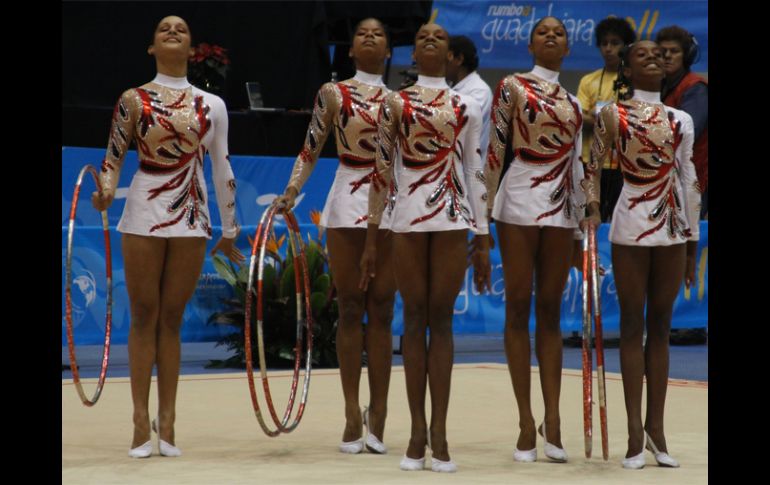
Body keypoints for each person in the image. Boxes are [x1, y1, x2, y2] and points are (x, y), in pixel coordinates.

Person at [91, 15, 244, 458]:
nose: (173, 31)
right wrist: (104, 191)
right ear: (152, 49)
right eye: (163, 29)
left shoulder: (212, 105)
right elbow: (112, 160)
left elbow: (223, 168)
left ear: (192, 48)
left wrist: (230, 228)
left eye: (181, 28)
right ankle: (140, 419)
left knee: (171, 319)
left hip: (191, 215)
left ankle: (170, 417)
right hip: (143, 211)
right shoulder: (133, 100)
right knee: (143, 314)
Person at [359, 23, 490, 473]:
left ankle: (440, 430)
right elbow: (381, 171)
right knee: (413, 320)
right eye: (422, 37)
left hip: (452, 219)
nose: (430, 40)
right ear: (413, 52)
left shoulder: (465, 105)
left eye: (439, 37)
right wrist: (373, 236)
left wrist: (484, 234)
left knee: (441, 321)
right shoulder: (396, 102)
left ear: (451, 52)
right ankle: (416, 431)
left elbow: (475, 170)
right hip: (408, 219)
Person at [273, 17, 396, 455]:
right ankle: (350, 411)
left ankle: (378, 411)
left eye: (378, 34)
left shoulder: (400, 101)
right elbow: (311, 146)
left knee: (381, 310)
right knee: (349, 307)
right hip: (347, 195)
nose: (368, 36)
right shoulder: (333, 94)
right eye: (361, 32)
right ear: (349, 49)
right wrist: (292, 190)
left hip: (391, 201)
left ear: (388, 51)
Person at [582, 40, 700, 469]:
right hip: (630, 223)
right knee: (632, 325)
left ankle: (657, 430)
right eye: (642, 55)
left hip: (671, 227)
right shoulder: (612, 114)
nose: (653, 57)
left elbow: (689, 179)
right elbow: (592, 167)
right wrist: (591, 207)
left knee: (661, 327)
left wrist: (691, 243)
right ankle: (633, 432)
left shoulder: (681, 119)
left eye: (659, 54)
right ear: (626, 71)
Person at [483, 16, 585, 464]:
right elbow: (495, 148)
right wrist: (481, 217)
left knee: (549, 310)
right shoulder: (512, 87)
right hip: (520, 194)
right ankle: (526, 420)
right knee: (518, 303)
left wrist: (583, 221)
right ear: (529, 45)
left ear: (566, 49)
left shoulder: (575, 102)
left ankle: (554, 418)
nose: (550, 36)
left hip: (562, 202)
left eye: (558, 33)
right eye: (542, 31)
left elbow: (579, 165)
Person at [577, 16, 636, 222]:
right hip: (592, 163)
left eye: (615, 43)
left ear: (626, 46)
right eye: (604, 43)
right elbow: (580, 117)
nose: (608, 49)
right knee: (590, 218)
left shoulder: (634, 80)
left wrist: (599, 119)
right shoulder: (588, 80)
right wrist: (611, 123)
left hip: (625, 164)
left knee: (620, 221)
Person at [656, 26, 708, 219]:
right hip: (668, 177)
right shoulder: (661, 86)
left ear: (686, 56)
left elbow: (686, 133)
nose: (667, 56)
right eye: (662, 52)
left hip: (691, 178)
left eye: (674, 51)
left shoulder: (695, 88)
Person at [446, 35, 493, 162]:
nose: (440, 62)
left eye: (446, 57)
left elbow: (456, 128)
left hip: (468, 170)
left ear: (459, 59)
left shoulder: (479, 90)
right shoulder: (449, 87)